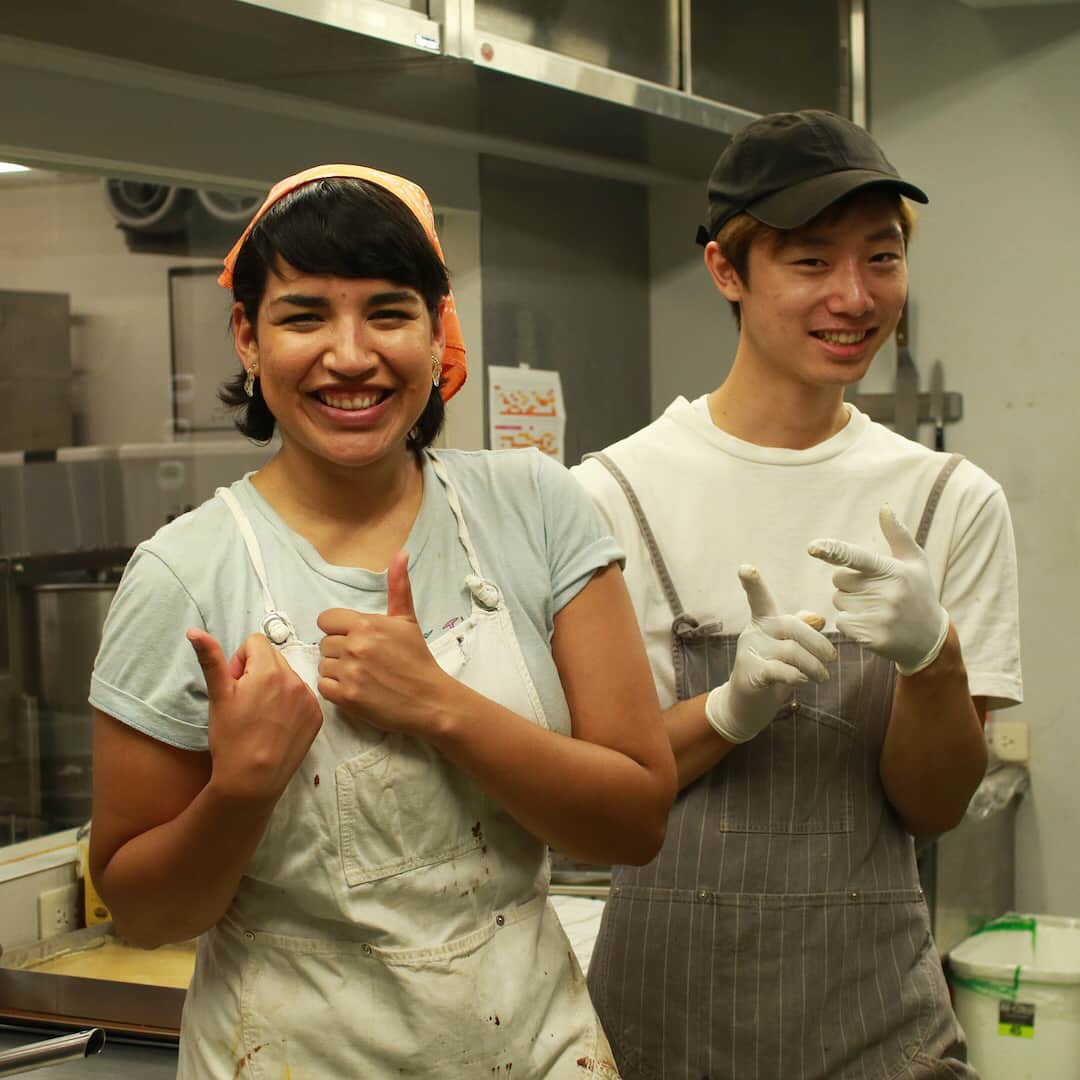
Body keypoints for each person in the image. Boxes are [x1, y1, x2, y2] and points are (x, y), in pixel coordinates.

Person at [89, 164, 676, 1078]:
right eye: (304, 315)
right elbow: (145, 913)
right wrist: (239, 790)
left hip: (528, 1042)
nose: (351, 355)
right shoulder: (184, 573)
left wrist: (442, 707)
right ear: (248, 337)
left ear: (436, 329)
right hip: (289, 1053)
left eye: (389, 312)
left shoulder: (535, 507)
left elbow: (635, 823)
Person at [572, 111, 1022, 1079]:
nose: (854, 297)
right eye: (811, 262)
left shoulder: (950, 501)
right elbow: (598, 794)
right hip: (655, 1028)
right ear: (727, 272)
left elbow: (933, 805)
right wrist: (729, 710)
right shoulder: (612, 494)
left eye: (882, 258)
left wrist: (930, 658)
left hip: (875, 1028)